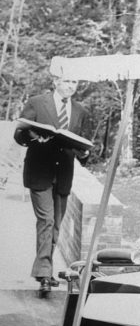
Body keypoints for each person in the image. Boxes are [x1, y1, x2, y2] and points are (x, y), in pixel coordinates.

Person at [14, 77, 91, 293]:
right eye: (66, 81)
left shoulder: (80, 111)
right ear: (56, 81)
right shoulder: (37, 103)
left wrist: (84, 153)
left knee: (56, 225)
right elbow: (20, 132)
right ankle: (45, 274)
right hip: (40, 171)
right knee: (46, 221)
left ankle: (44, 270)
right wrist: (34, 138)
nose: (70, 86)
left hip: (64, 174)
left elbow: (81, 142)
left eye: (75, 82)